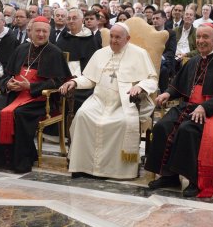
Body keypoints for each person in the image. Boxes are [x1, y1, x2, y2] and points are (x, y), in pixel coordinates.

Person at [0, 16, 71, 173]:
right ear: (31, 32)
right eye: (38, 31)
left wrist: (31, 86)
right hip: (14, 94)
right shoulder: (21, 49)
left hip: (38, 98)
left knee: (19, 114)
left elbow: (60, 81)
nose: (41, 34)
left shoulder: (55, 52)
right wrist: (8, 84)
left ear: (49, 33)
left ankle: (20, 160)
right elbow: (7, 74)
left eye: (45, 31)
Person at [144, 23, 213, 198]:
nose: (201, 41)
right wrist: (167, 93)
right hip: (186, 107)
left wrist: (205, 106)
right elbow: (178, 85)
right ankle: (168, 176)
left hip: (209, 112)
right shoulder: (192, 62)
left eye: (205, 37)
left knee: (187, 131)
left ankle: (194, 181)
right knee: (162, 127)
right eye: (199, 37)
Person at [59, 22, 158, 179]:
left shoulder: (139, 54)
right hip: (99, 100)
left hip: (124, 102)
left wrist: (140, 86)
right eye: (111, 37)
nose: (113, 40)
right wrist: (75, 82)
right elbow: (90, 79)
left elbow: (152, 79)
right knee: (82, 115)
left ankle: (117, 171)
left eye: (118, 37)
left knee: (123, 123)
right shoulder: (100, 53)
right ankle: (82, 166)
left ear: (128, 38)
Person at [56, 8, 100, 110]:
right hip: (62, 79)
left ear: (82, 20)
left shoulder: (90, 39)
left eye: (74, 18)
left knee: (76, 98)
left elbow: (93, 66)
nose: (71, 21)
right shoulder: (63, 38)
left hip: (83, 81)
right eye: (69, 18)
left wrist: (76, 79)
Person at [152, 10, 176, 92]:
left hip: (165, 61)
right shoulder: (150, 32)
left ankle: (163, 93)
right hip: (150, 60)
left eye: (157, 18)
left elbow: (171, 52)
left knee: (163, 69)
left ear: (164, 20)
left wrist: (160, 58)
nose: (155, 20)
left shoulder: (171, 33)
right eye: (153, 18)